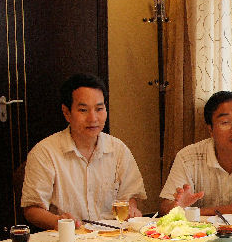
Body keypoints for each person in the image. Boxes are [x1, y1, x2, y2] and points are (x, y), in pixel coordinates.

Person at [21, 73, 146, 229]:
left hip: (111, 237)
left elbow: (130, 196)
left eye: (99, 109)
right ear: (66, 112)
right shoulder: (45, 152)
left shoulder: (118, 149)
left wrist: (131, 210)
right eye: (83, 110)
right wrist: (59, 222)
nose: (93, 118)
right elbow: (32, 209)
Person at [159, 90, 232, 217]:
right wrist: (176, 207)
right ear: (210, 129)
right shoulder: (187, 157)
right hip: (200, 234)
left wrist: (194, 213)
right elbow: (165, 208)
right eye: (225, 122)